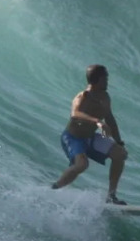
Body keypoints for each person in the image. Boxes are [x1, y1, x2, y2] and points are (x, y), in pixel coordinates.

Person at [51, 63, 129, 204]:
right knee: (81, 165)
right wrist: (97, 121)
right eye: (106, 78)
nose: (108, 81)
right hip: (73, 138)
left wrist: (119, 141)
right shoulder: (82, 96)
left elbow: (110, 119)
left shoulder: (105, 97)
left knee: (120, 154)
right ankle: (53, 190)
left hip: (90, 138)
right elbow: (75, 114)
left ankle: (111, 196)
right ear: (99, 79)